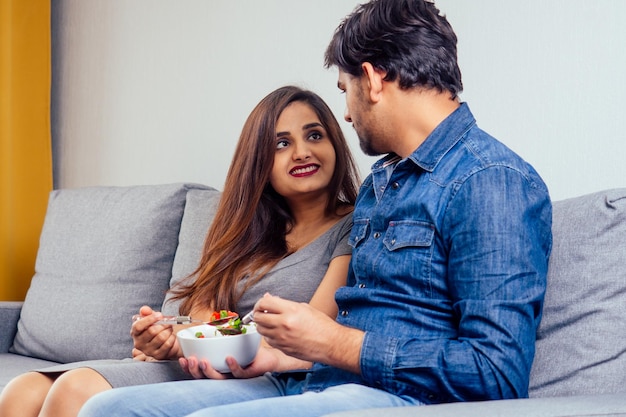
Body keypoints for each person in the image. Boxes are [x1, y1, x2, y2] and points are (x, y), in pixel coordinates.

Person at [77, 0, 553, 416]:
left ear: (372, 79)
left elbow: (496, 373)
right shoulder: (383, 183)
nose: (346, 114)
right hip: (316, 381)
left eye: (344, 91)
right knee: (108, 408)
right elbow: (356, 324)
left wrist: (331, 342)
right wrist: (278, 356)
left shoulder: (490, 180)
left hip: (405, 398)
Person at [0, 85, 360, 417]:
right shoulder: (249, 227)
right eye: (281, 144)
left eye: (315, 135)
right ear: (260, 163)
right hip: (199, 362)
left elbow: (311, 330)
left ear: (334, 144)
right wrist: (164, 337)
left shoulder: (354, 225)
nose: (302, 152)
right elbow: (196, 305)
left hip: (263, 372)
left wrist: (194, 337)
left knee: (77, 389)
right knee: (23, 389)